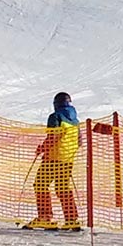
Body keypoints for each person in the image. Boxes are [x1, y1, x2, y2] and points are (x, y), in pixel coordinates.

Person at [27, 92, 82, 230]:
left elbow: (54, 136)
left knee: (40, 184)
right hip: (67, 159)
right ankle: (71, 219)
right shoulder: (75, 121)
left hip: (53, 158)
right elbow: (79, 141)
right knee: (62, 187)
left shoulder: (55, 117)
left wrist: (43, 148)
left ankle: (45, 217)